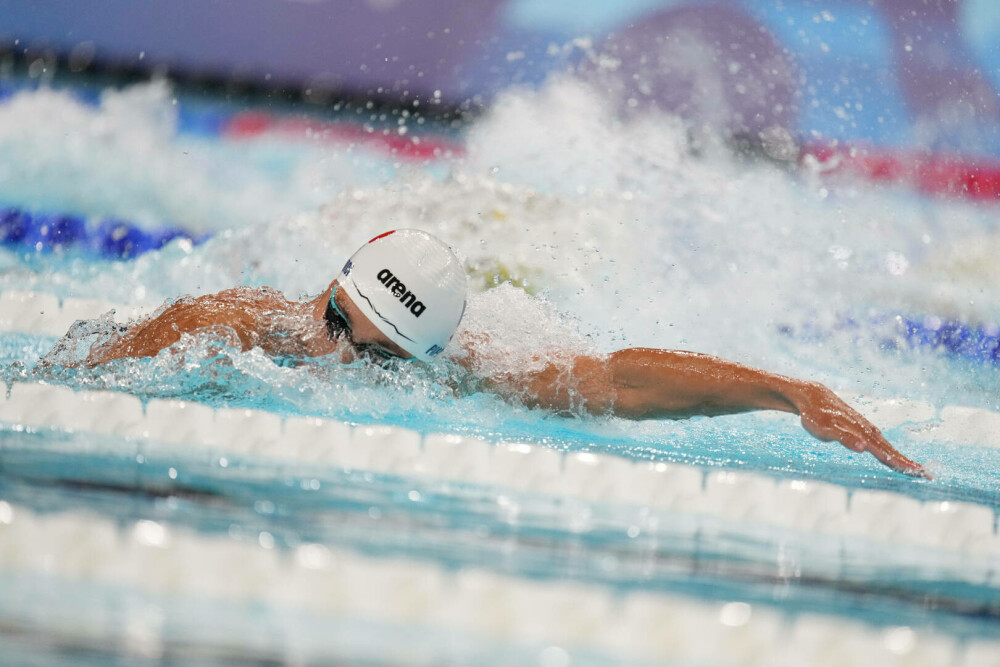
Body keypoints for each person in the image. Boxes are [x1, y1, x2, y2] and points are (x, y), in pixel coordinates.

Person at [87, 229, 928, 478]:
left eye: (380, 360)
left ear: (425, 358)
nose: (342, 360)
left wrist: (787, 390)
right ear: (330, 287)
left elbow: (612, 381)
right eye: (338, 326)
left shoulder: (475, 362)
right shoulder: (220, 326)